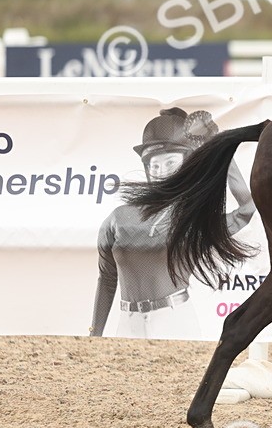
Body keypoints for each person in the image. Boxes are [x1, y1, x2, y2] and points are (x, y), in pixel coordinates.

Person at [89, 107, 256, 339]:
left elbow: (247, 209)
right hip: (127, 323)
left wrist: (220, 148)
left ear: (186, 164)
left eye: (170, 163)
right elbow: (107, 279)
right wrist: (95, 334)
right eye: (154, 165)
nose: (161, 172)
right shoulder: (118, 217)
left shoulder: (194, 219)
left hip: (175, 320)